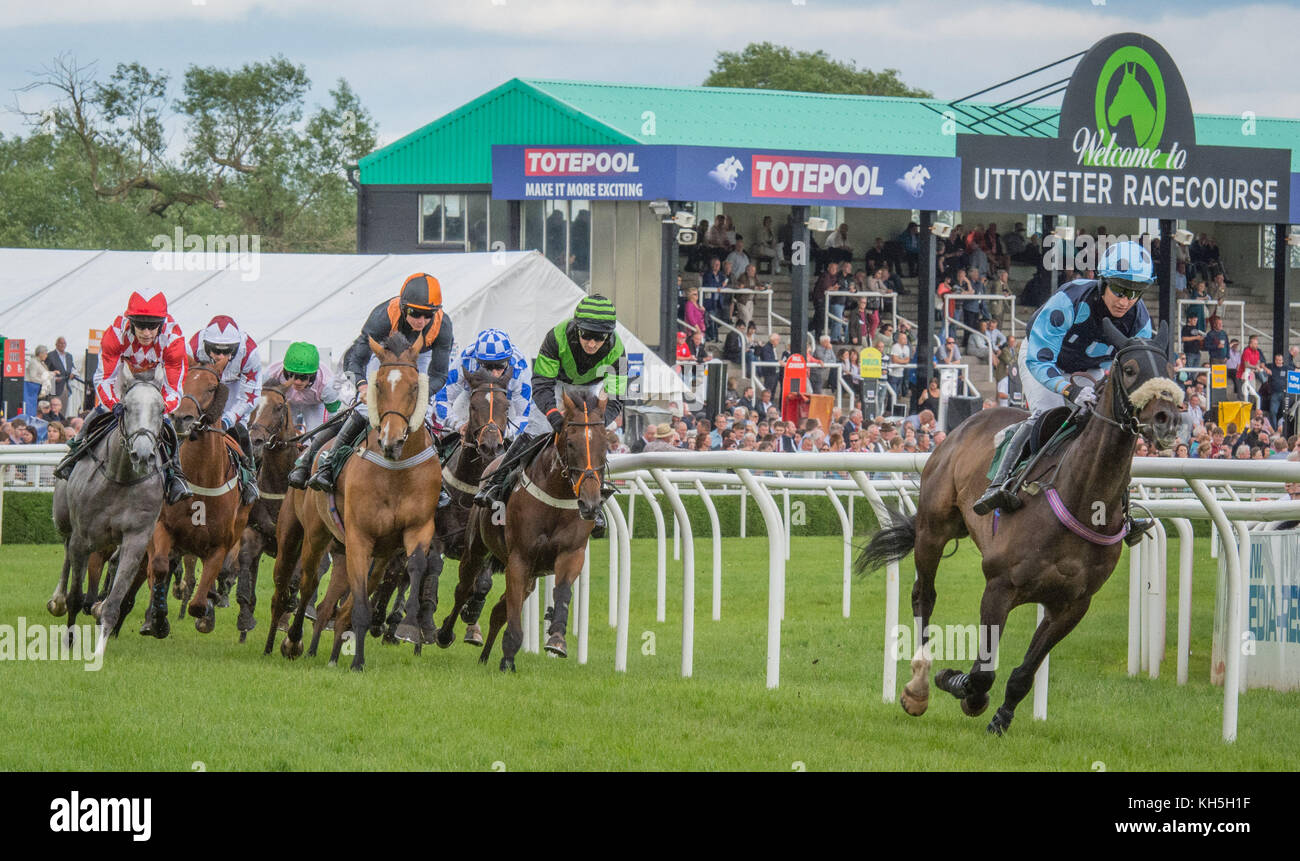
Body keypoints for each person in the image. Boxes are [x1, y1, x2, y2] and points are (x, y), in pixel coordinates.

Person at [972, 240, 1157, 543]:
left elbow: (1131, 371)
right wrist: (1069, 390)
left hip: (1092, 366)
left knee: (1110, 430)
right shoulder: (1070, 300)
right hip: (1043, 357)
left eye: (1135, 293)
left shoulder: (1140, 321)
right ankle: (1001, 485)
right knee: (1050, 414)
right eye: (1120, 290)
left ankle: (1124, 510)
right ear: (1104, 282)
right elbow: (1038, 359)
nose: (1126, 301)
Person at [475, 295, 625, 533]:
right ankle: (495, 484)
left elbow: (617, 396)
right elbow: (542, 384)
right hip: (555, 386)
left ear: (608, 336)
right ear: (577, 328)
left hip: (590, 389)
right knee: (535, 431)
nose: (592, 343)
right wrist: (555, 416)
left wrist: (596, 425)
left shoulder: (618, 350)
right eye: (586, 335)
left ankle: (597, 506)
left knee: (591, 442)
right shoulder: (556, 337)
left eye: (599, 338)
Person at [298, 273, 455, 492]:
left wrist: (419, 395)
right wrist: (362, 385)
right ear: (402, 307)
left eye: (428, 315)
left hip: (419, 357)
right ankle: (325, 463)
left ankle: (437, 485)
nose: (421, 320)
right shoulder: (383, 316)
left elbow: (439, 374)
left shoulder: (443, 326)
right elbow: (355, 358)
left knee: (424, 414)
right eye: (415, 313)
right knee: (364, 409)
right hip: (382, 356)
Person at [53, 288, 192, 504]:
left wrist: (163, 406)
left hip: (156, 378)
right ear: (131, 321)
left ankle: (175, 475)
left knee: (165, 421)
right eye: (141, 326)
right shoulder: (115, 333)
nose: (146, 333)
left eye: (152, 327)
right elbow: (103, 378)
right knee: (100, 411)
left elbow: (175, 388)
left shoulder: (174, 339)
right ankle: (74, 454)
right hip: (122, 375)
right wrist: (114, 404)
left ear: (161, 325)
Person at [187, 316, 263, 505]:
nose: (219, 356)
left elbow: (250, 397)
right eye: (214, 350)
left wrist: (228, 420)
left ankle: (249, 478)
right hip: (204, 386)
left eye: (227, 351)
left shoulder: (250, 353)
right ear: (205, 345)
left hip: (237, 389)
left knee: (241, 432)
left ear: (236, 348)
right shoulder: (192, 347)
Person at [433, 327, 532, 440]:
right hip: (473, 397)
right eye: (488, 366)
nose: (494, 374)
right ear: (478, 361)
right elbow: (441, 400)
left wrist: (505, 432)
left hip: (508, 402)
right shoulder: (465, 360)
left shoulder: (520, 369)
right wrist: (458, 425)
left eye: (500, 366)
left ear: (508, 360)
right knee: (448, 434)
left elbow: (524, 416)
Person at [268, 342, 343, 436]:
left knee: (315, 435)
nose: (297, 382)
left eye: (303, 377)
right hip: (287, 403)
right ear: (285, 371)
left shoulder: (328, 384)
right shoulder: (272, 373)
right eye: (292, 375)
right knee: (280, 433)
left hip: (314, 405)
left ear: (313, 375)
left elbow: (334, 416)